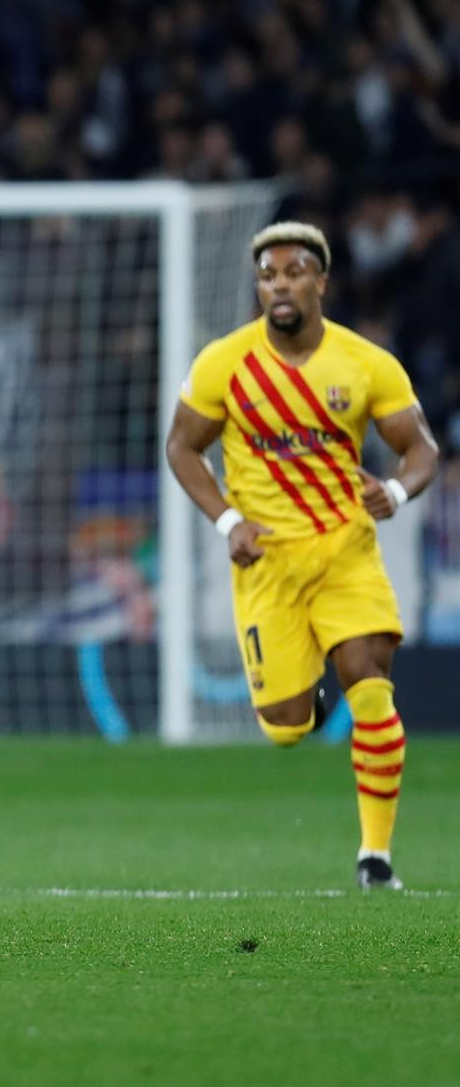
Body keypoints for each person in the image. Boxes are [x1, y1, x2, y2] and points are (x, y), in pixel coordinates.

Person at [165, 221, 440, 891]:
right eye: (268, 275)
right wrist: (228, 517)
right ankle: (303, 692)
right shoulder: (224, 363)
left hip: (346, 549)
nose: (279, 285)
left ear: (321, 280)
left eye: (292, 272)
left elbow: (422, 447)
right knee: (286, 727)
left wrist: (398, 491)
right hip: (267, 561)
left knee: (370, 682)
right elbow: (181, 446)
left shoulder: (365, 362)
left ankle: (375, 856)